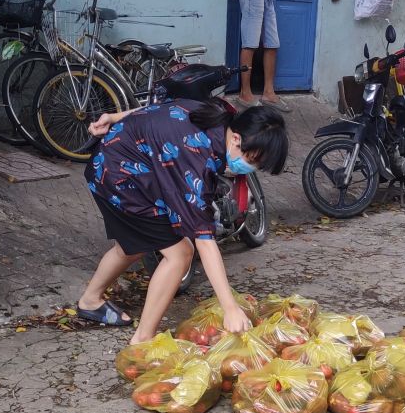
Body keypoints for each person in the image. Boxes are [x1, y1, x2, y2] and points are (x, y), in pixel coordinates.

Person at [75, 99, 288, 344]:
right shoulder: (196, 157)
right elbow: (204, 240)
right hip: (119, 177)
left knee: (134, 243)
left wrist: (114, 117)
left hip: (123, 163)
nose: (251, 168)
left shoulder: (216, 111)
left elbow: (159, 108)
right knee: (180, 253)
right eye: (252, 161)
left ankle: (90, 301)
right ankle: (142, 339)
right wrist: (229, 307)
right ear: (237, 140)